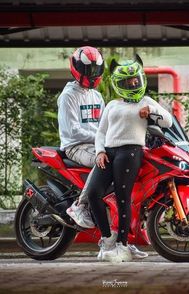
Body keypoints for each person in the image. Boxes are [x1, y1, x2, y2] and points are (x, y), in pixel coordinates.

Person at [86, 54, 173, 262]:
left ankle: (122, 245)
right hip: (108, 152)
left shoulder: (146, 101)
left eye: (136, 79)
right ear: (120, 83)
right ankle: (108, 238)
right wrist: (99, 151)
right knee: (93, 193)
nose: (134, 83)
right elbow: (100, 132)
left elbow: (168, 122)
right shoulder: (112, 105)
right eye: (129, 81)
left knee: (123, 198)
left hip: (131, 152)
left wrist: (150, 110)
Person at [57, 46, 105, 228]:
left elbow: (105, 125)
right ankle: (79, 205)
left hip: (95, 144)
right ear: (76, 68)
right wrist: (100, 137)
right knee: (102, 162)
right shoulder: (68, 96)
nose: (92, 75)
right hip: (75, 146)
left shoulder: (97, 96)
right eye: (88, 70)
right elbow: (72, 131)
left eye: (95, 70)